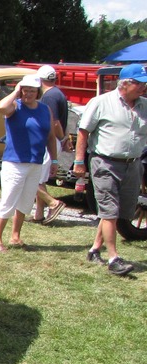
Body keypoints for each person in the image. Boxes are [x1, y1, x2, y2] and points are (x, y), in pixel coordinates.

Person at [73, 63, 147, 277]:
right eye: (140, 84)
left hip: (133, 164)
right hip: (105, 163)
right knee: (110, 210)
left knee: (118, 212)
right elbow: (83, 132)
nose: (143, 88)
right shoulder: (101, 102)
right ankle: (114, 258)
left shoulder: (144, 105)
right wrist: (79, 161)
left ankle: (95, 249)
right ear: (125, 84)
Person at [0, 75, 57, 252]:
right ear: (21, 90)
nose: (28, 93)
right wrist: (15, 91)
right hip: (15, 162)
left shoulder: (45, 110)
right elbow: (1, 107)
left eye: (32, 90)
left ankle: (15, 236)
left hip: (36, 162)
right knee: (9, 200)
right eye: (25, 90)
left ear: (38, 92)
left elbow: (50, 137)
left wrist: (55, 160)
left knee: (26, 202)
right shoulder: (15, 107)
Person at [31, 65, 70, 224]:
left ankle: (53, 203)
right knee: (41, 178)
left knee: (33, 178)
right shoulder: (57, 93)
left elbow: (54, 122)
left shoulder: (49, 97)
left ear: (40, 80)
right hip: (53, 141)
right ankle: (38, 214)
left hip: (50, 142)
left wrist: (61, 138)